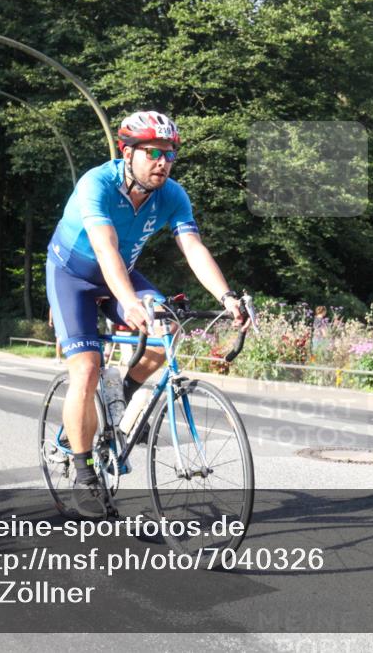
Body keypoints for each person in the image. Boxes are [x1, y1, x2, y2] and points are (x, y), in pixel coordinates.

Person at [46, 110, 245, 501]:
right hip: (73, 277)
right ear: (127, 152)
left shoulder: (172, 195)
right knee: (85, 370)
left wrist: (227, 297)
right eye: (153, 152)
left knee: (166, 329)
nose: (162, 162)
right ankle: (84, 475)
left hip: (123, 274)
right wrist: (128, 302)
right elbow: (105, 249)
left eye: (169, 153)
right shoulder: (97, 183)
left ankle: (119, 391)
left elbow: (193, 247)